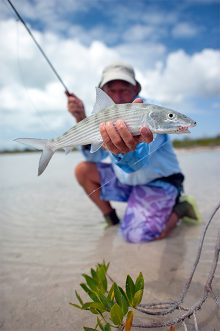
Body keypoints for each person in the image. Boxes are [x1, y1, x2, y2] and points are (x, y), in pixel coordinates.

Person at [66, 62, 200, 243]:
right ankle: (112, 221)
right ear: (102, 91)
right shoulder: (104, 115)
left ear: (135, 88)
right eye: (111, 90)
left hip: (158, 183)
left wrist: (124, 150)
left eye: (124, 89)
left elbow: (136, 162)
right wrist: (80, 119)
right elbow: (95, 156)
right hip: (127, 183)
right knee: (83, 170)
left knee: (137, 236)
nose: (118, 96)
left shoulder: (150, 111)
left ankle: (181, 208)